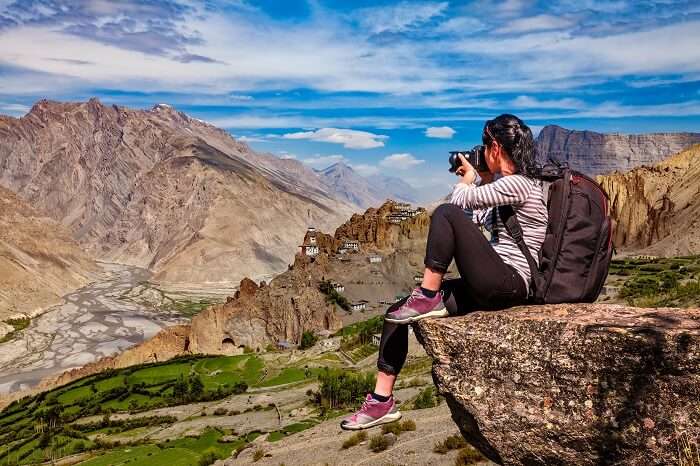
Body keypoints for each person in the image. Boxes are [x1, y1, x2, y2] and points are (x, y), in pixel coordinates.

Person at [340, 114, 548, 430]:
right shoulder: (504, 188)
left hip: (511, 283)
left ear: (494, 146)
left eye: (484, 145)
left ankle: (428, 294)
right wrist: (477, 181)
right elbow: (470, 219)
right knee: (398, 312)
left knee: (445, 213)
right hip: (492, 282)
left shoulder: (520, 183)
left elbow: (456, 204)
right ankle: (382, 401)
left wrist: (469, 180)